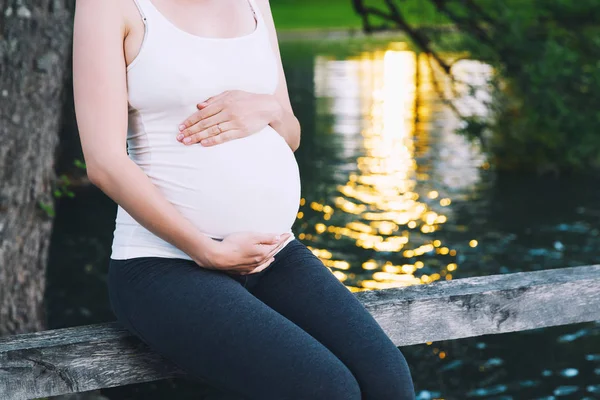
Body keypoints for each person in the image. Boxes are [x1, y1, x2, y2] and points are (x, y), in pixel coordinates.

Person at [72, 0, 416, 398]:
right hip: (165, 264)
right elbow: (104, 162)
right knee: (326, 389)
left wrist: (264, 105)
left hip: (272, 253)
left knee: (389, 380)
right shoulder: (110, 6)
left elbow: (289, 133)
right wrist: (206, 250)